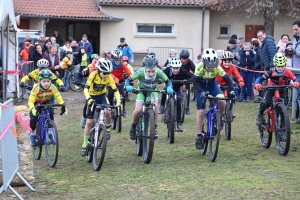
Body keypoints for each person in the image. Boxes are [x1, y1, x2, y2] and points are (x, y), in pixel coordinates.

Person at [193, 48, 234, 149]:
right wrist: (201, 92)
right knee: (201, 112)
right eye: (209, 66)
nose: (211, 68)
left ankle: (218, 118)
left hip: (212, 85)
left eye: (213, 66)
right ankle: (199, 136)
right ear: (204, 63)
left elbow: (228, 80)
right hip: (200, 87)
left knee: (223, 101)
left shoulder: (217, 67)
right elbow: (194, 83)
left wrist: (232, 91)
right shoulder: (199, 67)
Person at [125, 55, 173, 140]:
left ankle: (154, 127)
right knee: (138, 110)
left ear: (156, 68)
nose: (151, 74)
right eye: (149, 71)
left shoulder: (159, 71)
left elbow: (168, 81)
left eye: (153, 71)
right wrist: (128, 86)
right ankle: (133, 127)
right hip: (141, 91)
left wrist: (169, 87)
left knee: (156, 107)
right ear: (145, 69)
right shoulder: (140, 72)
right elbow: (128, 79)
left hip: (153, 91)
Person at [80, 58, 121, 156]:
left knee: (108, 111)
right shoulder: (93, 75)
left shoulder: (108, 77)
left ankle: (107, 128)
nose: (106, 74)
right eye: (104, 72)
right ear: (99, 69)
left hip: (102, 97)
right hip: (91, 97)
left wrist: (119, 101)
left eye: (108, 72)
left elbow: (115, 90)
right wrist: (88, 98)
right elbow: (85, 89)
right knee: (89, 122)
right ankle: (85, 144)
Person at [255, 53, 300, 125]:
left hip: (282, 89)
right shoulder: (271, 72)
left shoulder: (288, 72)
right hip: (271, 89)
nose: (280, 68)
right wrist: (257, 83)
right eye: (278, 66)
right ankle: (260, 114)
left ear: (285, 65)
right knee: (267, 102)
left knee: (284, 107)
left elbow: (295, 79)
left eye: (282, 66)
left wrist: (296, 83)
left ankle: (283, 125)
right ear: (275, 65)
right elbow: (260, 78)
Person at [28, 69, 67, 146]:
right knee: (33, 119)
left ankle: (50, 132)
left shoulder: (52, 87)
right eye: (44, 81)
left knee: (51, 115)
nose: (46, 83)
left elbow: (58, 97)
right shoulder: (36, 88)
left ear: (51, 81)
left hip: (47, 102)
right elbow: (30, 101)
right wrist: (32, 109)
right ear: (40, 81)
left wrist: (63, 106)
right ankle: (33, 134)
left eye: (48, 81)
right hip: (36, 103)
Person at [159, 58, 194, 131]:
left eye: (177, 68)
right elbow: (160, 75)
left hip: (177, 88)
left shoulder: (182, 71)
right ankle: (162, 106)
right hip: (168, 87)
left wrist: (187, 81)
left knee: (178, 102)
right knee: (164, 91)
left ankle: (179, 123)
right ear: (170, 67)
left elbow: (192, 76)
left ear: (180, 67)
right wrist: (159, 80)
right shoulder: (167, 70)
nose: (175, 70)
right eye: (174, 68)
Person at [107, 49, 132, 117]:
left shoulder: (122, 64)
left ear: (121, 59)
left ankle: (123, 108)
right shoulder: (110, 64)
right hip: (111, 81)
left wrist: (132, 78)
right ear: (112, 58)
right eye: (115, 60)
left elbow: (128, 71)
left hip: (120, 81)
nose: (117, 61)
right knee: (110, 95)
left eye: (118, 60)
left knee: (123, 96)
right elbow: (108, 72)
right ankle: (110, 107)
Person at [179, 49, 195, 115]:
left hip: (187, 78)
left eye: (185, 58)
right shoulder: (177, 61)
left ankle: (187, 107)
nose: (184, 60)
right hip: (179, 77)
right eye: (183, 58)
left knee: (187, 92)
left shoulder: (189, 62)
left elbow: (195, 70)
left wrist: (193, 78)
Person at [291, 19, 300, 123]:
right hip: (295, 71)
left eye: (296, 29)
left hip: (299, 70)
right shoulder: (295, 40)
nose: (295, 31)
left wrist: (295, 52)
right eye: (293, 29)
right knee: (298, 96)